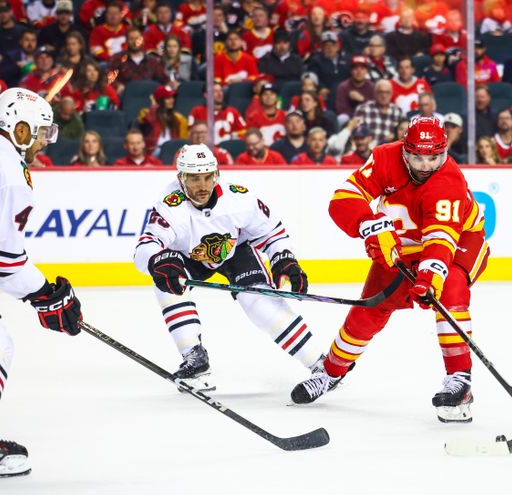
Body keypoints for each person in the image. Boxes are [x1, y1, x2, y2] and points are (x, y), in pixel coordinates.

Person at [290, 116, 490, 424]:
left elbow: (440, 241)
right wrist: (368, 225)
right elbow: (343, 199)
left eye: (433, 157)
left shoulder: (448, 182)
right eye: (417, 157)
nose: (425, 165)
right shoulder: (385, 157)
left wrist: (428, 278)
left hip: (460, 240)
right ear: (404, 149)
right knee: (367, 312)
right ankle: (330, 373)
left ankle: (460, 381)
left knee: (449, 290)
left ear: (445, 152)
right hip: (406, 242)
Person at [133, 144, 330, 392]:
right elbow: (144, 249)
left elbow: (272, 232)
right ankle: (195, 358)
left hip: (236, 251)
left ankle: (322, 365)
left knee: (257, 300)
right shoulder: (169, 206)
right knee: (167, 282)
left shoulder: (240, 198)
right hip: (189, 256)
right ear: (181, 178)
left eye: (208, 177)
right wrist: (158, 261)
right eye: (194, 178)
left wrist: (283, 259)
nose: (203, 186)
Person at [0, 87, 82, 478]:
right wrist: (49, 295)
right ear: (18, 129)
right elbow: (0, 262)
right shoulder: (8, 170)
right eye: (39, 132)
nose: (43, 142)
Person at [138, 85, 188, 153]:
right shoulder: (147, 113)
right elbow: (143, 120)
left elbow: (182, 139)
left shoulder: (178, 118)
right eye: (168, 98)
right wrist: (154, 109)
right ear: (159, 100)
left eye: (172, 97)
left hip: (172, 152)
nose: (172, 100)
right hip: (152, 151)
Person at [354, 79, 405, 145]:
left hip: (391, 151)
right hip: (369, 151)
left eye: (387, 92)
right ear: (375, 93)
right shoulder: (363, 109)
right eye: (381, 92)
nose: (384, 96)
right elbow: (357, 136)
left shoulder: (398, 112)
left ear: (391, 94)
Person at [335, 55, 375, 124]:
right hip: (349, 120)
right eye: (356, 68)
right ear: (351, 71)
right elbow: (340, 110)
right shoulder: (343, 87)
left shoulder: (372, 86)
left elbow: (375, 109)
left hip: (368, 117)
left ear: (366, 71)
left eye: (362, 68)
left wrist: (362, 100)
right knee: (342, 118)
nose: (359, 72)